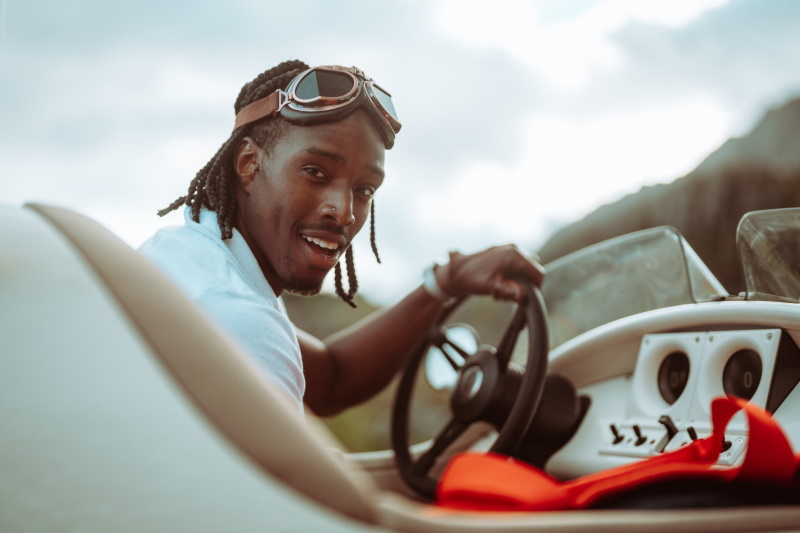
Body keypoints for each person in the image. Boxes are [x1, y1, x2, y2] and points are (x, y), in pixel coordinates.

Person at [139, 60, 544, 417]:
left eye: (364, 190)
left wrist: (445, 282)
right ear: (249, 163)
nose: (345, 212)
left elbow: (331, 380)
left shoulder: (188, 258)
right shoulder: (238, 319)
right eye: (315, 172)